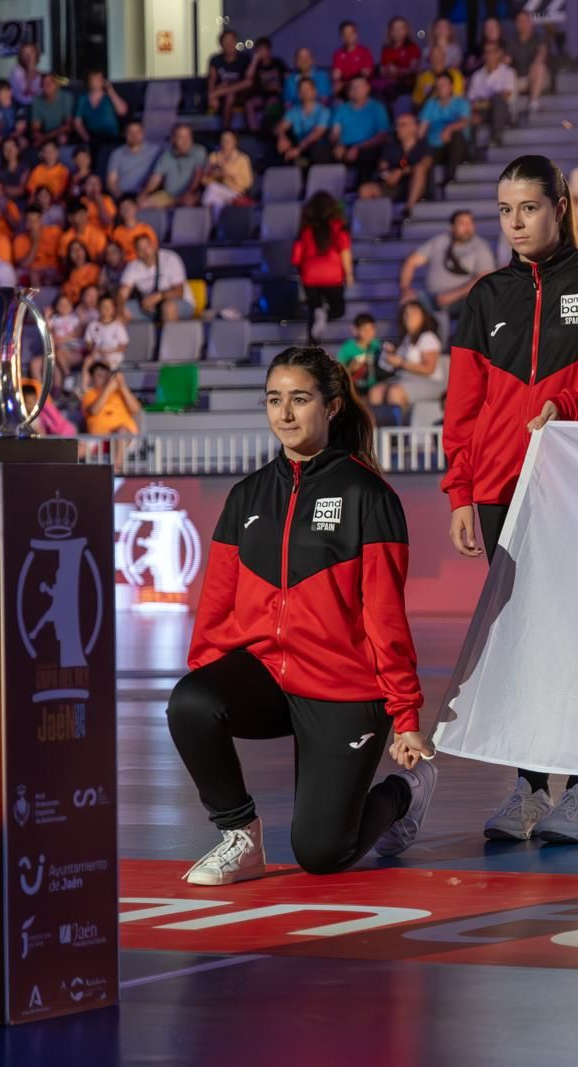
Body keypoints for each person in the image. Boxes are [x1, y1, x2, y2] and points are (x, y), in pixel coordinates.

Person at [443, 155, 578, 843]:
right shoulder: (484, 297)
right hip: (501, 493)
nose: (514, 223)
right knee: (521, 643)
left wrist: (569, 405)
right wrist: (459, 489)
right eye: (505, 210)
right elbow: (465, 407)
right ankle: (531, 789)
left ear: (560, 206)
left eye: (528, 208)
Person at [166, 347, 434, 885]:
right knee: (191, 700)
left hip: (343, 688)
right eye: (274, 400)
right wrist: (209, 680)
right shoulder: (247, 496)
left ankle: (406, 793)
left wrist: (405, 717)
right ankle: (239, 836)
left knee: (321, 853)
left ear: (332, 407)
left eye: (300, 399)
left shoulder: (367, 495)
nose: (284, 414)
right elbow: (217, 603)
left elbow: (385, 617)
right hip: (269, 676)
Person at [399, 210, 495, 317]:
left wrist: (451, 296)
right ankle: (418, 334)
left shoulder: (480, 246)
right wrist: (405, 288)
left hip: (462, 298)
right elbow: (411, 261)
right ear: (452, 227)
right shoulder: (439, 241)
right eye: (462, 223)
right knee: (408, 302)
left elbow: (483, 277)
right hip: (433, 296)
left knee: (480, 300)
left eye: (470, 223)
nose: (467, 227)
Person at [292, 192, 353, 343]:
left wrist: (301, 273)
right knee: (338, 310)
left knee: (313, 310)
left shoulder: (305, 230)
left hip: (310, 277)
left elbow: (296, 257)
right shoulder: (339, 228)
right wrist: (349, 274)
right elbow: (345, 252)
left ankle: (312, 344)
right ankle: (325, 314)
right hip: (333, 277)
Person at [367, 301, 443, 419]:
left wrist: (401, 363)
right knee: (375, 391)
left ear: (423, 316)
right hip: (405, 379)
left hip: (428, 381)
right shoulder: (406, 340)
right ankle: (379, 432)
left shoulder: (428, 337)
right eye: (406, 313)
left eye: (413, 313)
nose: (409, 316)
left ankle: (397, 434)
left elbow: (429, 369)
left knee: (395, 392)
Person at [364, 113, 434, 218]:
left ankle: (409, 207)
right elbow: (382, 168)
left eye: (403, 125)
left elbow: (426, 164)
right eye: (397, 125)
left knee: (419, 169)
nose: (398, 128)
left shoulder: (424, 146)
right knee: (365, 190)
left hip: (415, 185)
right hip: (394, 186)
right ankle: (374, 222)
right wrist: (387, 176)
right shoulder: (391, 147)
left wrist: (401, 172)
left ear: (414, 127)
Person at [119, 233, 195, 323]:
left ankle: (169, 337)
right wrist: (120, 308)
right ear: (137, 252)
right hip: (148, 307)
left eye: (148, 246)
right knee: (120, 311)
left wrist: (158, 296)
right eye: (141, 249)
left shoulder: (170, 258)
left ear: (154, 246)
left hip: (179, 302)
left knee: (168, 308)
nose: (146, 251)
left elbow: (179, 292)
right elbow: (123, 293)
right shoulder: (133, 266)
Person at [331, 75, 392, 183]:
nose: (356, 90)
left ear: (367, 88)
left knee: (369, 155)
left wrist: (358, 147)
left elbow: (383, 135)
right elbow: (335, 132)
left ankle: (363, 190)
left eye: (359, 86)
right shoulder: (342, 108)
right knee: (325, 151)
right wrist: (338, 144)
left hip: (367, 146)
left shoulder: (377, 108)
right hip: (345, 146)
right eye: (353, 87)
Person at [419, 72, 471, 188]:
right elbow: (422, 129)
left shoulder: (461, 103)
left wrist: (449, 128)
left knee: (456, 134)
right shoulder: (430, 104)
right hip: (435, 147)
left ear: (451, 87)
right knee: (423, 148)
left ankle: (451, 177)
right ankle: (426, 192)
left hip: (455, 146)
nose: (440, 87)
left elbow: (464, 122)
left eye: (444, 84)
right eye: (438, 85)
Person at [468, 41, 521, 146]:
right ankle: (471, 153)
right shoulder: (476, 76)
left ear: (499, 53)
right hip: (483, 112)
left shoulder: (508, 72)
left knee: (498, 100)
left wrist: (483, 103)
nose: (488, 55)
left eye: (491, 52)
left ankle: (495, 139)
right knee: (467, 116)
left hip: (503, 111)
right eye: (486, 52)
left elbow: (505, 96)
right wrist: (483, 104)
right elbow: (471, 101)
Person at [142, 123, 207, 208]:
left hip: (190, 194)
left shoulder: (199, 151)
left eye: (188, 137)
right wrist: (144, 193)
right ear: (173, 139)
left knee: (188, 202)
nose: (186, 141)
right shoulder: (166, 155)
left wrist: (189, 193)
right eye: (181, 137)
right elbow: (156, 178)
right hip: (168, 195)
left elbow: (198, 176)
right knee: (143, 203)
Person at [276, 78, 335, 167]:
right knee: (279, 147)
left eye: (308, 89)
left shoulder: (323, 111)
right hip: (300, 147)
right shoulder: (293, 111)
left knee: (318, 149)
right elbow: (281, 126)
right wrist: (281, 137)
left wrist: (298, 149)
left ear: (315, 91)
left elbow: (316, 134)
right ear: (298, 94)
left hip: (317, 148)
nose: (305, 92)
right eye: (302, 90)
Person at [201, 130, 253, 223]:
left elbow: (247, 183)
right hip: (218, 190)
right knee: (217, 201)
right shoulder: (214, 156)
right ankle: (218, 228)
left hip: (235, 193)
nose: (225, 143)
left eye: (228, 140)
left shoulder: (243, 159)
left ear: (235, 142)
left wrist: (229, 174)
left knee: (213, 189)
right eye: (223, 140)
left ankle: (203, 218)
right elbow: (204, 181)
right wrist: (216, 175)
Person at [206, 30, 251, 129]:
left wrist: (218, 92)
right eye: (226, 42)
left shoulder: (244, 58)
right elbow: (212, 79)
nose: (229, 45)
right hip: (222, 94)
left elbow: (248, 82)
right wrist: (212, 96)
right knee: (229, 96)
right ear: (221, 45)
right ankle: (226, 131)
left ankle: (226, 131)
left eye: (232, 41)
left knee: (234, 92)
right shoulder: (215, 59)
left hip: (241, 94)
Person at [81, 361, 141, 435]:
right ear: (92, 379)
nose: (104, 379)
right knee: (120, 433)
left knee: (121, 431)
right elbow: (94, 410)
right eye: (100, 376)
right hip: (101, 440)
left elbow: (136, 410)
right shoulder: (89, 395)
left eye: (107, 375)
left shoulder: (120, 392)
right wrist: (108, 389)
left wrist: (123, 385)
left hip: (126, 435)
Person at [107, 120, 161, 199]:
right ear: (125, 134)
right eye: (130, 132)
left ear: (143, 133)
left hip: (145, 195)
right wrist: (121, 198)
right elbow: (111, 181)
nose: (134, 136)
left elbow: (158, 176)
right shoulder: (117, 153)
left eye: (137, 132)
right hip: (123, 194)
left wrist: (144, 195)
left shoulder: (155, 151)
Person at [374, 17, 422, 102]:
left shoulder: (413, 48)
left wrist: (398, 71)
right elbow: (383, 68)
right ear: (390, 31)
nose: (397, 31)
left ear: (406, 30)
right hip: (388, 82)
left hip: (406, 83)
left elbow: (413, 69)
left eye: (401, 28)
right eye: (395, 28)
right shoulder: (386, 49)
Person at [29, 75, 74, 148]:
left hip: (61, 133)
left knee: (62, 138)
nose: (47, 86)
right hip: (45, 133)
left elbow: (68, 126)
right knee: (34, 141)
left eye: (50, 83)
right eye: (44, 84)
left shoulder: (66, 97)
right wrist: (37, 134)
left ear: (56, 85)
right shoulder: (37, 100)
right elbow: (36, 126)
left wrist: (45, 137)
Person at [338, 312, 381, 386]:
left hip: (375, 387)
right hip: (355, 387)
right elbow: (338, 370)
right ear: (356, 330)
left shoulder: (378, 345)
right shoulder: (348, 347)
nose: (368, 333)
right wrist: (350, 369)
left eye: (371, 328)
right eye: (364, 329)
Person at [331, 21, 375, 88]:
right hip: (345, 86)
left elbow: (366, 73)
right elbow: (336, 75)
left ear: (356, 35)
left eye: (351, 33)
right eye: (345, 34)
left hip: (360, 84)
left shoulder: (365, 52)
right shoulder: (338, 54)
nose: (348, 36)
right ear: (341, 37)